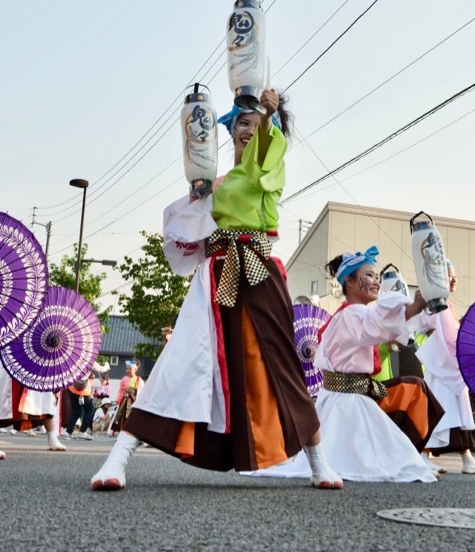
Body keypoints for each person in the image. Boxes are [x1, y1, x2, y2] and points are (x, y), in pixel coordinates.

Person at [91, 89, 341, 491]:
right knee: (182, 359)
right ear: (230, 131)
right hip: (215, 278)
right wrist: (195, 200)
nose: (250, 127)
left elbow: (262, 162)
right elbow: (184, 234)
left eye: (259, 120)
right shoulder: (217, 182)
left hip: (258, 275)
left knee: (281, 370)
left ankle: (319, 463)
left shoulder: (269, 167)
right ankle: (117, 459)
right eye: (242, 121)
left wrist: (270, 115)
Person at [246, 247, 444, 483]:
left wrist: (411, 313)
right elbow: (375, 323)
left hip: (349, 398)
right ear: (349, 281)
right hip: (345, 401)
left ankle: (413, 459)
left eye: (376, 276)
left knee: (394, 426)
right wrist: (412, 308)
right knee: (370, 450)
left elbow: (376, 325)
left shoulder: (350, 314)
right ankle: (411, 460)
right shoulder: (352, 314)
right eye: (368, 275)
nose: (375, 282)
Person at [414, 260, 475, 475]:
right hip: (442, 369)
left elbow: (452, 336)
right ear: (439, 278)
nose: (454, 279)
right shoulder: (437, 303)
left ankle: (467, 458)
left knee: (458, 413)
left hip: (451, 367)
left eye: (454, 275)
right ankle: (424, 455)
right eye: (449, 275)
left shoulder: (446, 304)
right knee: (438, 413)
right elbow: (433, 329)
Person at [0, 363, 65, 452]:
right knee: (4, 397)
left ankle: (52, 437)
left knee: (44, 398)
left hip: (34, 360)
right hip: (8, 358)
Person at [111, 360, 144, 433]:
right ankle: (121, 431)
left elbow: (141, 391)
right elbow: (120, 391)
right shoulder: (124, 379)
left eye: (130, 369)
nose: (128, 370)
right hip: (124, 400)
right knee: (122, 416)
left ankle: (131, 431)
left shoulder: (139, 380)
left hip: (133, 401)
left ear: (135, 369)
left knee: (131, 416)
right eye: (127, 369)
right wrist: (118, 399)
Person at [64, 374, 94, 441]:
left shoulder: (76, 363)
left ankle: (68, 432)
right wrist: (106, 366)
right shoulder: (88, 363)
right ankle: (82, 432)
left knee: (77, 411)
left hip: (72, 388)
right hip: (83, 390)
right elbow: (100, 369)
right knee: (90, 409)